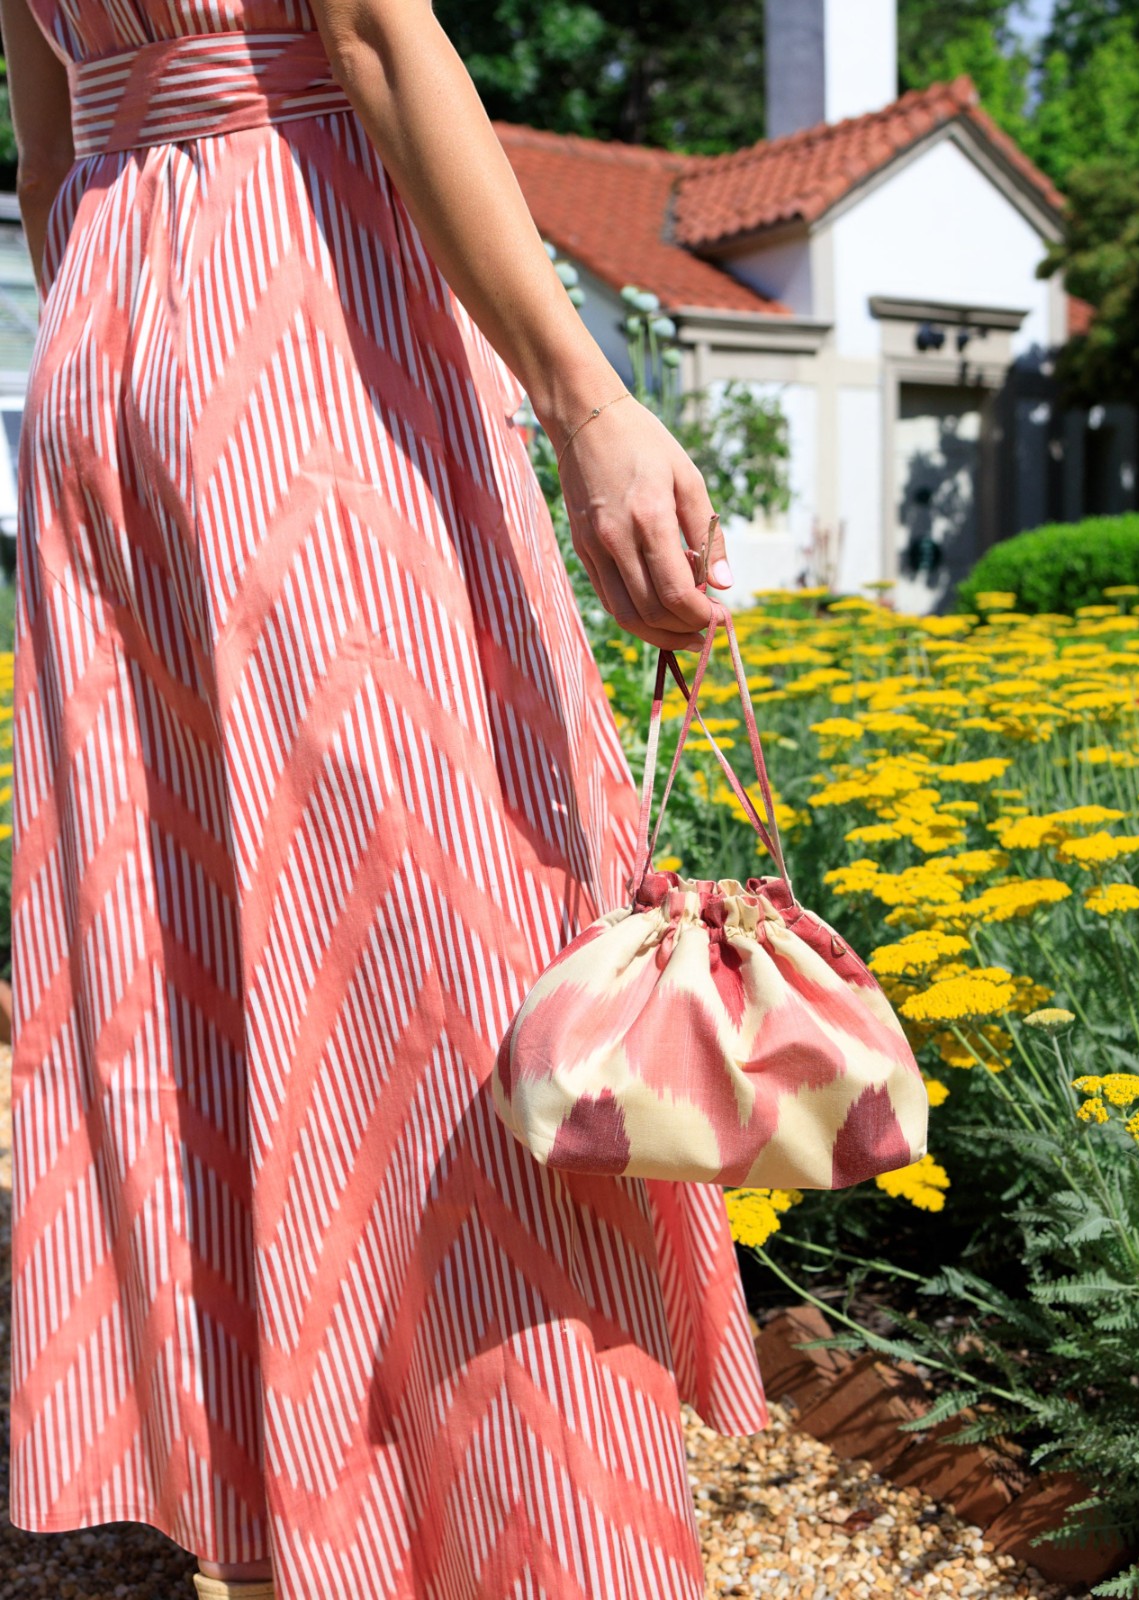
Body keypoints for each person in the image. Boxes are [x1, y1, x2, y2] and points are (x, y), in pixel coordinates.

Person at [1, 0, 770, 1594]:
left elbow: (45, 106)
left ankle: (309, 1510)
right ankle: (550, 1540)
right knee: (457, 959)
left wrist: (111, 283)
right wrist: (588, 400)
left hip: (104, 338)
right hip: (298, 318)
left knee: (202, 946)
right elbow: (366, 27)